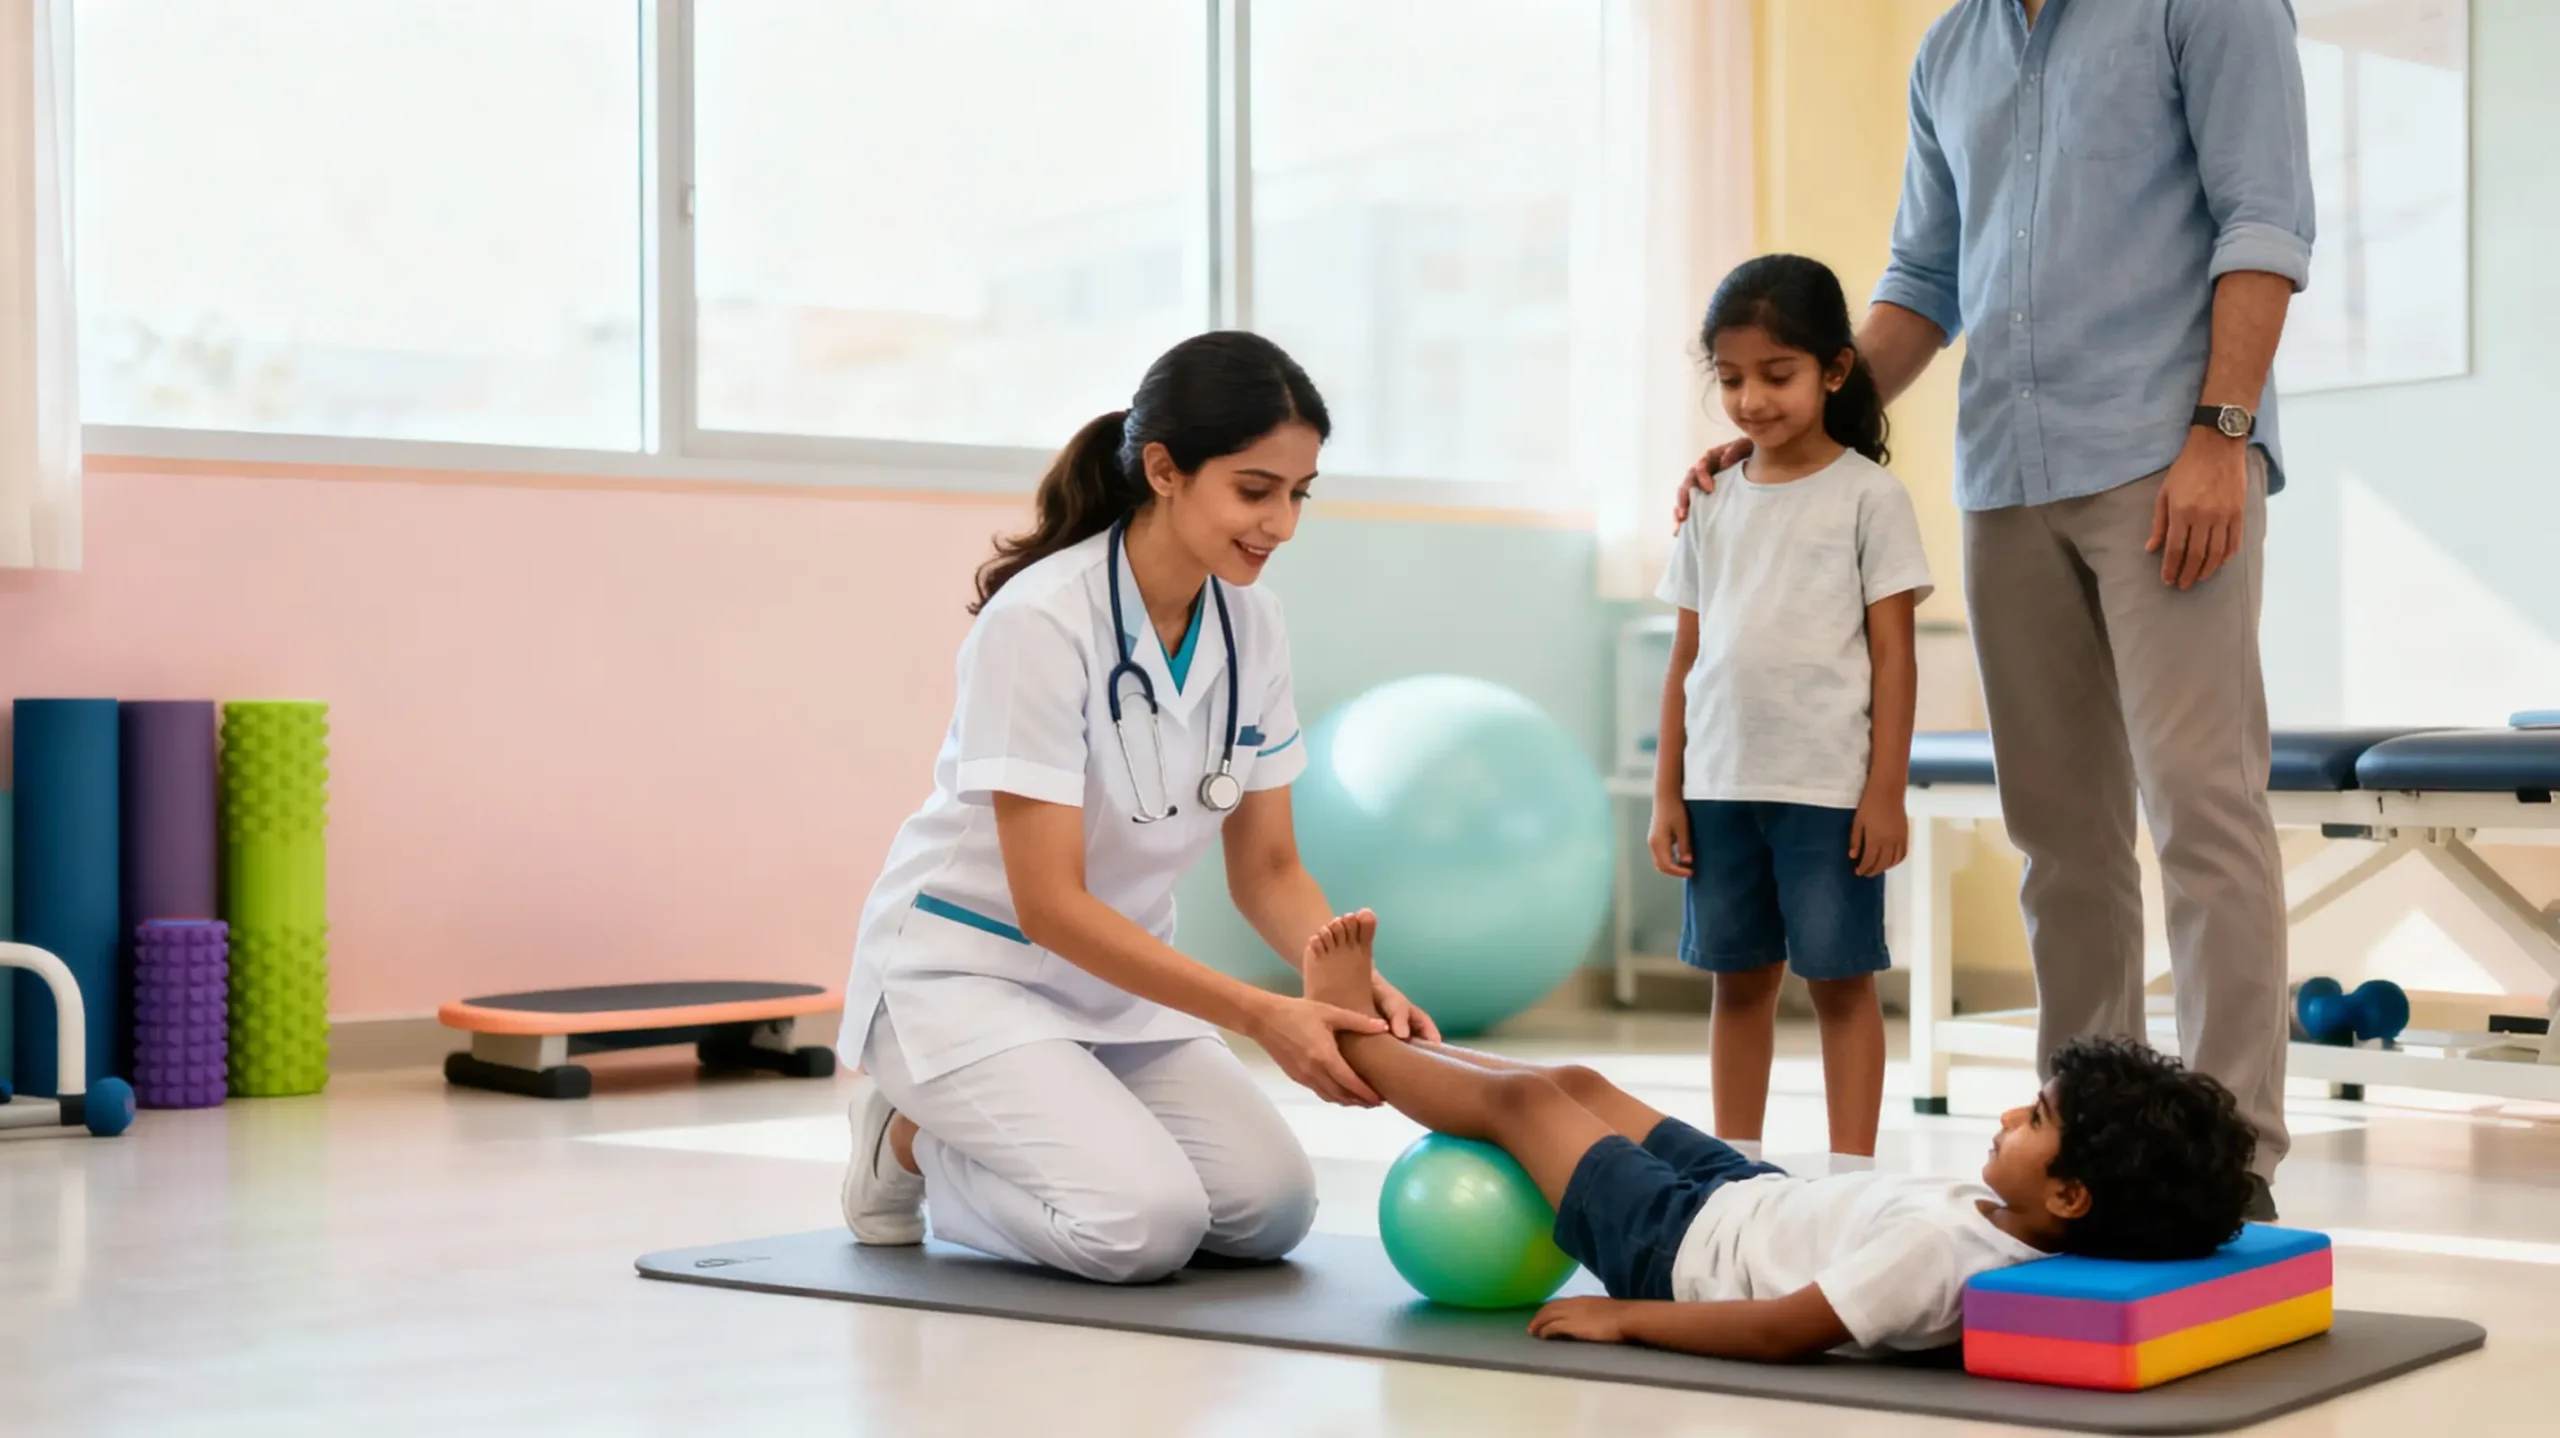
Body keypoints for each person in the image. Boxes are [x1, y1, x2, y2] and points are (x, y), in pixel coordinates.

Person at [1677, 0, 2314, 1217]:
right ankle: (2080, 1144)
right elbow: (1922, 280)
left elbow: (2264, 220)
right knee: (2060, 840)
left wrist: (2221, 434)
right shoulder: (1948, 50)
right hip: (2005, 479)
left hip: (2164, 459)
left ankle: (2231, 1167)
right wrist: (1789, 434)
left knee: (2200, 812)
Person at [835, 332, 1440, 1286]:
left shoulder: (1253, 625)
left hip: (1118, 985)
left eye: (1299, 493)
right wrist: (1259, 1014)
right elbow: (1047, 904)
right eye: (1255, 489)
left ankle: (1001, 1120)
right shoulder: (1041, 621)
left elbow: (1270, 870)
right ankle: (911, 1142)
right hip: (964, 977)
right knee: (1139, 1230)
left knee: (1268, 1211)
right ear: (1164, 469)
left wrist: (1347, 987)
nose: (1281, 523)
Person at [1300, 910, 2257, 1360]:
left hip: (1677, 1250)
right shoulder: (2013, 1219)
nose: (2010, 1117)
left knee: (1529, 1109)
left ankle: (1347, 1039)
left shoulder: (1942, 1257)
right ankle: (1398, 1045)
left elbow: (1778, 1328)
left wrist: (1626, 1315)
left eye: (2036, 1121)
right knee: (1579, 1082)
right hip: (1739, 1193)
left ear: (2070, 1197)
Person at [1652, 255, 1934, 1159]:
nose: (1752, 401)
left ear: (1835, 370)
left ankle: (1851, 1172)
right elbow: (1686, 658)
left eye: (1777, 375)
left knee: (1841, 983)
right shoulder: (1709, 500)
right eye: (1731, 380)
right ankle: (1735, 1169)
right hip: (1722, 785)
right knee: (1738, 984)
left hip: (1826, 792)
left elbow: (1894, 656)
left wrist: (1884, 791)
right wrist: (1670, 793)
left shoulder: (1870, 498)